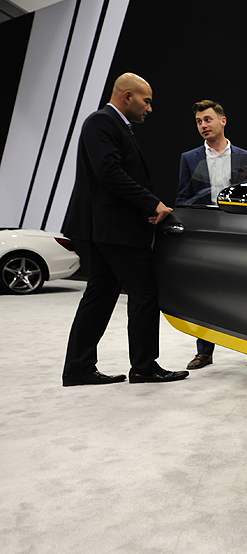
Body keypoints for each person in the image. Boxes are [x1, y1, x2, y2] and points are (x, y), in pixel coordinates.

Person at [61, 73, 189, 386]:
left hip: (109, 228)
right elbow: (109, 172)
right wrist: (151, 203)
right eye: (146, 101)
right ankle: (144, 367)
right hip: (115, 229)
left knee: (99, 297)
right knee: (144, 294)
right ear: (127, 96)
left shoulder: (113, 125)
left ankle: (78, 368)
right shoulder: (101, 122)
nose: (150, 108)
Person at [175, 99, 247, 369]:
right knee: (203, 291)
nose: (203, 125)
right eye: (199, 121)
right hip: (206, 232)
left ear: (222, 121)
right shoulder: (189, 159)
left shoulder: (246, 158)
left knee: (245, 288)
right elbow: (183, 198)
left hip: (240, 232)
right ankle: (204, 351)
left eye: (208, 119)